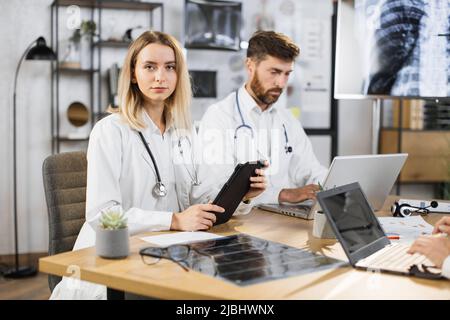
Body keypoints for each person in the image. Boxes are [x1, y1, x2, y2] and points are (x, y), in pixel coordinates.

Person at [50, 31, 266, 299]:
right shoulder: (110, 131)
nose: (160, 77)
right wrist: (174, 219)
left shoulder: (186, 132)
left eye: (170, 67)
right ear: (132, 73)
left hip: (168, 253)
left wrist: (243, 196)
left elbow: (199, 198)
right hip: (113, 259)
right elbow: (102, 215)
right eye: (150, 67)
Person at [199, 30, 327, 206]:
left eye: (287, 73)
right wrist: (283, 194)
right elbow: (216, 189)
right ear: (250, 66)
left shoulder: (287, 119)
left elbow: (309, 170)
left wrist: (330, 186)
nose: (281, 83)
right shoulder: (219, 116)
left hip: (282, 221)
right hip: (241, 221)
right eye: (274, 72)